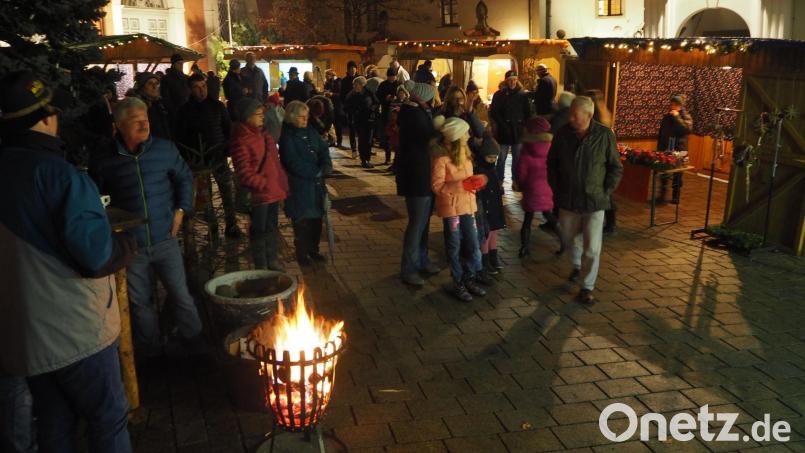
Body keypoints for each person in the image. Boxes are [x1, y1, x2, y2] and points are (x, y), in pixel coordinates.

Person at [0, 71, 137, 453]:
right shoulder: (59, 176)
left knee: (56, 424)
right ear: (44, 119)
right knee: (108, 418)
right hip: (75, 331)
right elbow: (95, 255)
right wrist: (126, 245)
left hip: (23, 337)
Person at [91, 96, 203, 357]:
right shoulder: (105, 159)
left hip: (165, 237)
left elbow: (185, 176)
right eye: (136, 122)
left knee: (181, 294)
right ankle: (152, 350)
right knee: (140, 302)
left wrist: (181, 210)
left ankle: (195, 342)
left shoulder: (164, 150)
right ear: (119, 125)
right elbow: (96, 198)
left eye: (146, 120)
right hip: (131, 246)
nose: (144, 126)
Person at [547, 96, 623, 305]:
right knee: (570, 239)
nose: (571, 118)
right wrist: (557, 187)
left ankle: (587, 287)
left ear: (589, 115)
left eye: (575, 115)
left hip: (594, 201)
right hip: (568, 199)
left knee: (592, 247)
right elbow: (551, 163)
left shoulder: (604, 135)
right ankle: (577, 266)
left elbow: (615, 166)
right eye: (570, 114)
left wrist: (605, 191)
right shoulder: (563, 134)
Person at [174, 73, 242, 238]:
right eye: (197, 88)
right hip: (198, 161)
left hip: (218, 156)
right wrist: (189, 157)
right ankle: (212, 227)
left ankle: (231, 225)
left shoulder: (217, 106)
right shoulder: (184, 111)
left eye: (203, 86)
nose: (201, 91)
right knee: (206, 196)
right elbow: (181, 136)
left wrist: (226, 149)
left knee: (226, 191)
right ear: (190, 90)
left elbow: (227, 129)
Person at [430, 116, 487, 302]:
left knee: (472, 243)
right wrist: (463, 185)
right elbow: (437, 186)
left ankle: (469, 277)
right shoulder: (442, 159)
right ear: (456, 136)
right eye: (465, 133)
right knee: (454, 246)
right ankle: (458, 282)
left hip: (468, 207)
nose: (468, 135)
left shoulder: (466, 154)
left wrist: (476, 184)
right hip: (452, 210)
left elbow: (467, 182)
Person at [230, 98, 289, 271]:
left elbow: (274, 162)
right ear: (247, 117)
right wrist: (263, 183)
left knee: (272, 228)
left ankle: (272, 260)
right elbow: (244, 172)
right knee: (258, 232)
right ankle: (261, 264)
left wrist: (281, 182)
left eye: (262, 114)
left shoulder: (264, 134)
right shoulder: (241, 139)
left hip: (272, 191)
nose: (262, 117)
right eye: (258, 114)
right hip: (259, 195)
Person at [396, 82, 440, 286]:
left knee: (424, 222)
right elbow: (426, 139)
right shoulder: (413, 115)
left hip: (424, 173)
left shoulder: (419, 112)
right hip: (416, 175)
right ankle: (409, 268)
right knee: (417, 223)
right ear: (424, 98)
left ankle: (422, 260)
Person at [278, 101, 333, 266]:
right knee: (302, 222)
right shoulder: (287, 136)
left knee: (317, 219)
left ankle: (313, 250)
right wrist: (314, 172)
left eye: (306, 116)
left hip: (316, 185)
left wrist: (326, 164)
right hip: (300, 186)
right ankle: (302, 253)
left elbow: (323, 148)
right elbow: (292, 162)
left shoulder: (310, 130)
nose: (305, 120)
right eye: (302, 117)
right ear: (292, 118)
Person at [516, 117, 556, 257]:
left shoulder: (526, 149)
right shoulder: (551, 147)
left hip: (531, 189)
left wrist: (520, 185)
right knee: (548, 214)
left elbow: (521, 171)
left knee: (528, 220)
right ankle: (564, 239)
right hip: (547, 187)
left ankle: (524, 248)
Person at [489, 69, 531, 187]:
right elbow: (494, 112)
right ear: (506, 81)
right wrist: (502, 124)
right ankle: (499, 180)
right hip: (504, 131)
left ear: (517, 80)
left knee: (517, 158)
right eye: (510, 80)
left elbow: (527, 113)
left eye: (514, 80)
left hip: (517, 131)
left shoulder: (522, 95)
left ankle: (515, 181)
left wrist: (524, 126)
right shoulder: (499, 94)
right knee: (501, 158)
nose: (512, 82)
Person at [473, 131, 505, 278]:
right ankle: (484, 260)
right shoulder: (479, 169)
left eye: (495, 158)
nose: (492, 160)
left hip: (493, 204)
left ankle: (493, 255)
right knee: (485, 233)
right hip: (484, 206)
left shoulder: (492, 168)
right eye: (490, 157)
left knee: (493, 231)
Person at [656, 94, 693, 205]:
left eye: (676, 104)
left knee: (678, 173)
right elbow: (662, 133)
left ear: (681, 106)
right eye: (672, 104)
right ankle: (662, 195)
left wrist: (677, 117)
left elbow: (686, 130)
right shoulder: (667, 117)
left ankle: (675, 196)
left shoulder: (686, 116)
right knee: (664, 172)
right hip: (667, 148)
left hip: (680, 149)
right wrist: (660, 149)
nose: (673, 106)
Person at [345, 76, 379, 169]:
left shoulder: (369, 92)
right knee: (362, 140)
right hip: (359, 120)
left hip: (369, 120)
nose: (354, 86)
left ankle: (367, 159)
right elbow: (347, 106)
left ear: (362, 85)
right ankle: (364, 160)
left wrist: (372, 109)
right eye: (354, 84)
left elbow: (376, 102)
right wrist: (354, 112)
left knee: (368, 141)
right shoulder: (352, 94)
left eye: (356, 84)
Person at [133, 72, 172, 140]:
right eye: (150, 83)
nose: (155, 86)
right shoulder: (137, 107)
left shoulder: (160, 104)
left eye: (157, 83)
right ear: (141, 87)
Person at [376, 67, 400, 165]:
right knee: (387, 136)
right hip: (386, 113)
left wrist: (396, 98)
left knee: (397, 137)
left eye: (393, 76)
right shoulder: (383, 85)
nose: (391, 78)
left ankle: (396, 160)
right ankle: (388, 157)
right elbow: (378, 97)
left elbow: (404, 95)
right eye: (390, 77)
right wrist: (385, 98)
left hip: (398, 114)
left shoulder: (399, 84)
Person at [160, 53, 190, 120]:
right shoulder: (166, 79)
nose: (181, 66)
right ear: (173, 64)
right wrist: (174, 112)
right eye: (179, 63)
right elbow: (166, 98)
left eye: (182, 63)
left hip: (189, 111)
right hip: (176, 115)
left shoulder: (186, 78)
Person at [340, 61, 360, 157]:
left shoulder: (360, 79)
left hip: (360, 108)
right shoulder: (344, 81)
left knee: (360, 129)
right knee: (351, 129)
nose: (352, 70)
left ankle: (362, 148)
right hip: (350, 108)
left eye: (354, 68)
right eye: (350, 68)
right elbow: (342, 95)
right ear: (348, 70)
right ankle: (354, 149)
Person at [324, 68, 347, 150]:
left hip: (338, 106)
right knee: (329, 124)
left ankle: (339, 142)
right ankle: (332, 140)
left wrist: (332, 94)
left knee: (338, 125)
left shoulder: (339, 82)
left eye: (327, 75)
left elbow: (341, 94)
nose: (326, 77)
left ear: (331, 75)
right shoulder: (328, 83)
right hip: (330, 106)